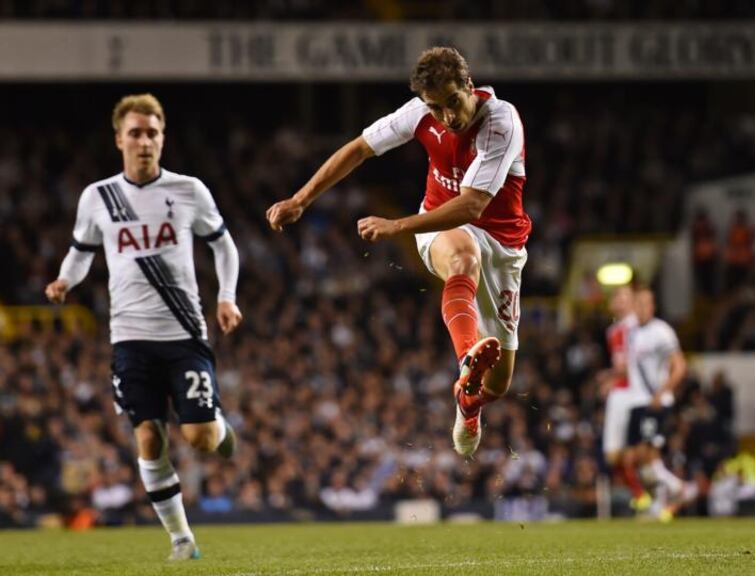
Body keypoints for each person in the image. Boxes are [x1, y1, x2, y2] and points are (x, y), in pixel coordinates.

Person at [266, 47, 530, 458]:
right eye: (435, 107)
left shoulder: (500, 122)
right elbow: (358, 149)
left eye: (452, 103)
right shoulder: (419, 112)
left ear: (469, 86)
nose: (446, 117)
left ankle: (470, 401)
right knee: (462, 257)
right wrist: (301, 200)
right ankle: (466, 364)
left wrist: (397, 227)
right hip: (443, 228)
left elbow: (473, 205)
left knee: (499, 386)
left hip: (502, 244)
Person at [45, 94, 241, 561]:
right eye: (135, 132)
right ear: (119, 139)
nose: (145, 140)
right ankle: (181, 539)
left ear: (162, 138)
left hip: (184, 332)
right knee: (149, 435)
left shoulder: (189, 190)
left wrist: (226, 297)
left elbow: (224, 247)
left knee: (201, 439)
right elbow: (81, 249)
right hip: (129, 338)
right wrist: (64, 280)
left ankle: (219, 427)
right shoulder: (98, 197)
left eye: (152, 132)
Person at [624, 286, 689, 521]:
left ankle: (676, 490)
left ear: (652, 306)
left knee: (646, 455)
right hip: (636, 401)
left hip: (654, 402)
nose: (640, 308)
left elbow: (680, 366)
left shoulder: (662, 332)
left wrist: (662, 393)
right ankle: (665, 496)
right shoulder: (632, 332)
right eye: (637, 304)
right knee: (637, 459)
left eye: (645, 304)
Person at [598, 285, 649, 511]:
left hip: (634, 395)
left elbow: (632, 365)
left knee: (636, 453)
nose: (616, 299)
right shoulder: (613, 331)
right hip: (620, 393)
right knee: (614, 456)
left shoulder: (637, 328)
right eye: (615, 295)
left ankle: (646, 496)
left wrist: (608, 377)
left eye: (623, 296)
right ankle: (643, 494)